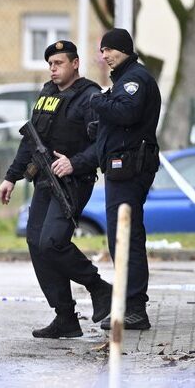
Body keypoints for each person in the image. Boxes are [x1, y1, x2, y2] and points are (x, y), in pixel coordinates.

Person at [0, 40, 113, 338]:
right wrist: (11, 177)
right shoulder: (47, 93)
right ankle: (65, 317)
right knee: (36, 243)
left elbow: (103, 145)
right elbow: (31, 139)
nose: (53, 69)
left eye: (59, 63)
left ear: (75, 64)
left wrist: (75, 163)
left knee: (52, 242)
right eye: (50, 64)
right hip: (45, 180)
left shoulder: (90, 97)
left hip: (74, 182)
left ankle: (99, 287)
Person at [77, 28, 161, 331]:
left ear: (124, 49)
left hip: (129, 169)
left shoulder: (134, 79)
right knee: (120, 236)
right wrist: (101, 128)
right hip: (121, 169)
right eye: (102, 51)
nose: (105, 56)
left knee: (126, 236)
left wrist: (98, 102)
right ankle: (128, 304)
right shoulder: (124, 80)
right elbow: (122, 121)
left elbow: (127, 113)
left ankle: (134, 308)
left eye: (109, 50)